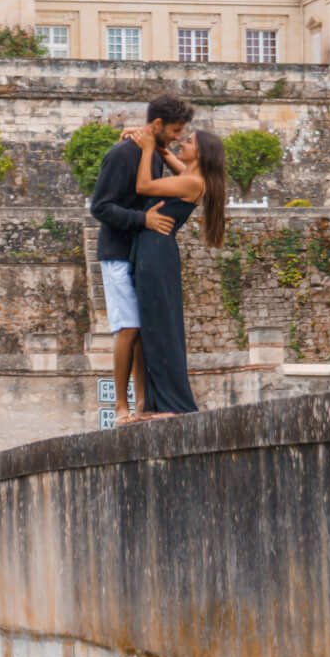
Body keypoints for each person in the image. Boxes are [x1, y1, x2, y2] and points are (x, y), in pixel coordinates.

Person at [88, 95, 194, 423]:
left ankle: (143, 404)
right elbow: (100, 207)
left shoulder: (152, 154)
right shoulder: (123, 153)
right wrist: (142, 221)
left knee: (141, 330)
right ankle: (121, 406)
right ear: (158, 124)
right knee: (128, 327)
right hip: (118, 253)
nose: (178, 137)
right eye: (175, 130)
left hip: (138, 254)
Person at [121, 125, 227, 416]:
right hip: (153, 251)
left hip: (155, 254)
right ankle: (152, 403)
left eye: (189, 141)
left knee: (158, 327)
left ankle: (168, 402)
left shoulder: (192, 182)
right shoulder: (191, 176)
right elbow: (168, 154)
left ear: (201, 153)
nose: (182, 142)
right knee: (152, 325)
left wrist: (145, 150)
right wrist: (148, 138)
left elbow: (143, 186)